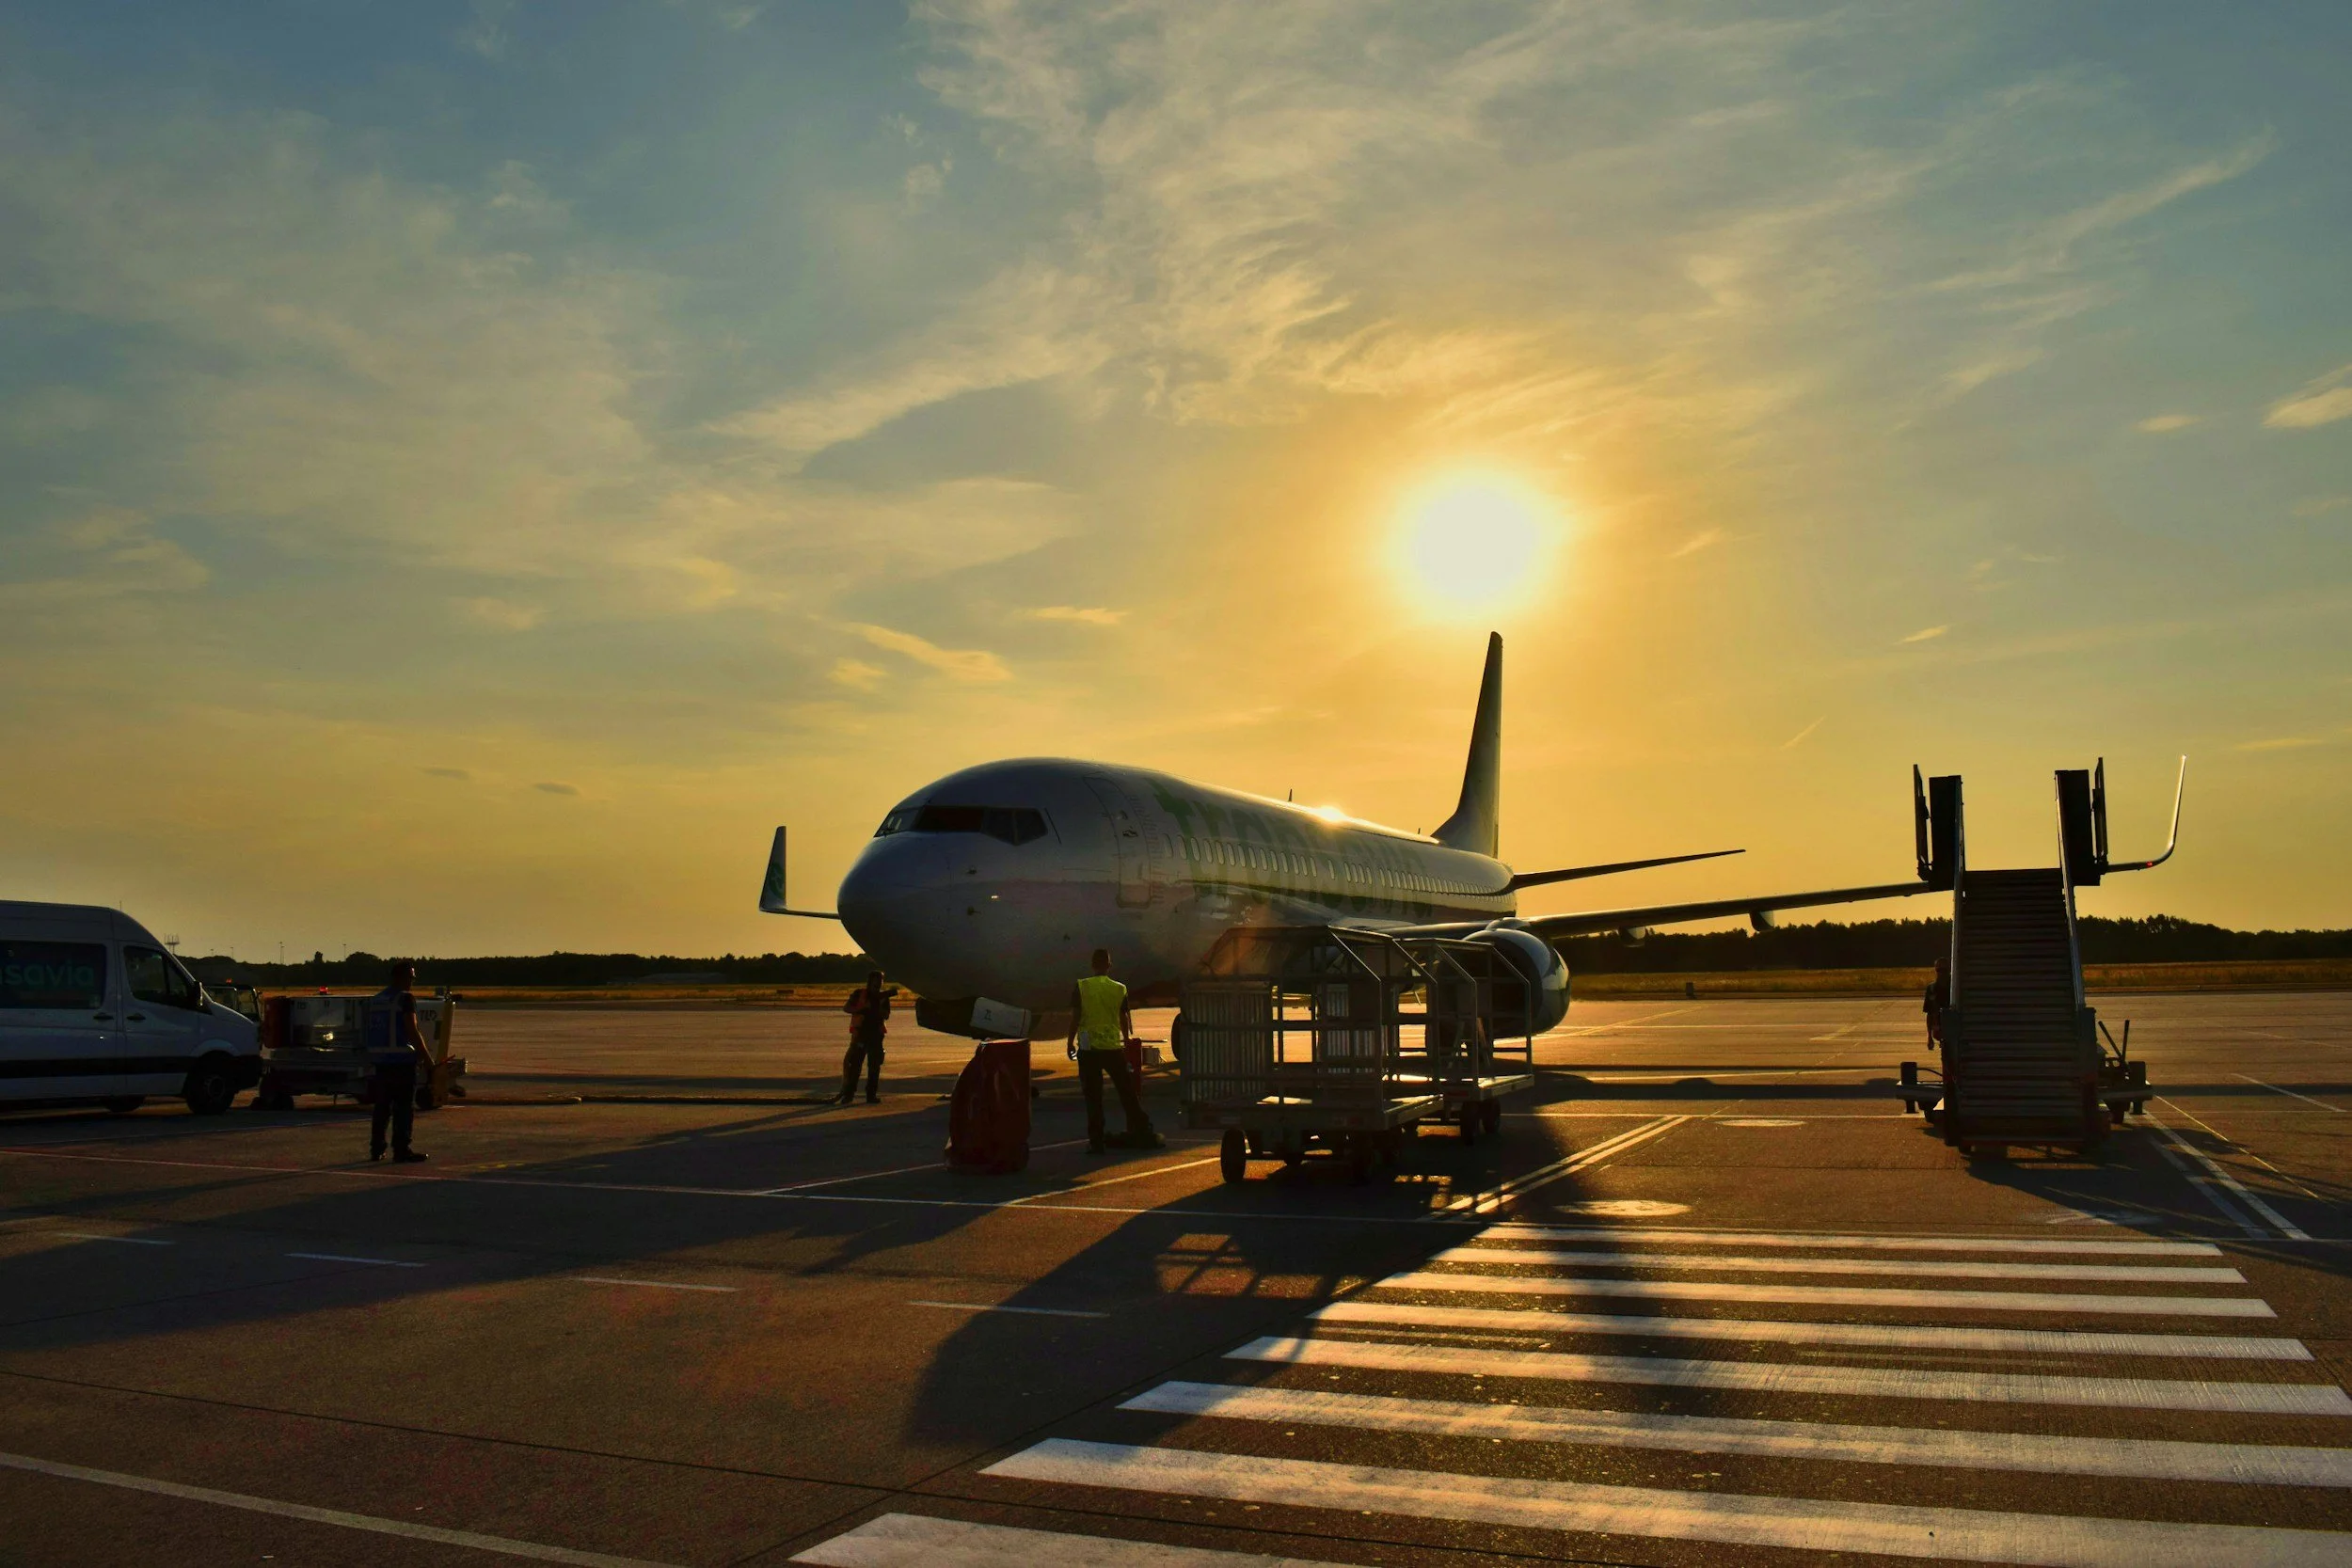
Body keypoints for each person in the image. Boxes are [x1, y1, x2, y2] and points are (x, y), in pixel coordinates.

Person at [1066, 948, 1162, 1154]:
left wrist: (1069, 1043)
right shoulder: (1119, 989)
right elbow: (1123, 1018)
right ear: (1109, 966)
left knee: (1093, 1098)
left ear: (1092, 965)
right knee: (1127, 1092)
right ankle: (1143, 1129)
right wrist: (1126, 1040)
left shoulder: (1082, 987)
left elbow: (1075, 1017)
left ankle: (1097, 1141)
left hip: (1089, 1049)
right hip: (1112, 1048)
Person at [363, 960, 431, 1163]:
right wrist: (426, 1058)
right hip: (401, 1062)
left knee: (382, 1108)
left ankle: (377, 1149)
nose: (413, 981)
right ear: (400, 977)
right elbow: (412, 1030)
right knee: (403, 1108)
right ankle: (402, 1149)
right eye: (411, 977)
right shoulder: (405, 999)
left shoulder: (377, 1000)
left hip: (381, 1062)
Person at [838, 971, 892, 1104]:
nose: (879, 984)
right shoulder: (859, 994)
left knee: (874, 1066)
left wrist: (877, 1010)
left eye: (881, 981)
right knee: (855, 1066)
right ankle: (849, 1095)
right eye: (876, 981)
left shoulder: (883, 997)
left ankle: (871, 1095)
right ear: (870, 982)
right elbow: (847, 1008)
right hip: (861, 1034)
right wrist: (861, 1008)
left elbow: (886, 1014)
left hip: (876, 1034)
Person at [1924, 956, 1950, 1051]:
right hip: (1939, 1029)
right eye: (1939, 970)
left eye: (1944, 970)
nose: (1942, 973)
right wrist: (1929, 1037)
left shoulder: (1955, 988)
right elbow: (1929, 1013)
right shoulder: (1931, 989)